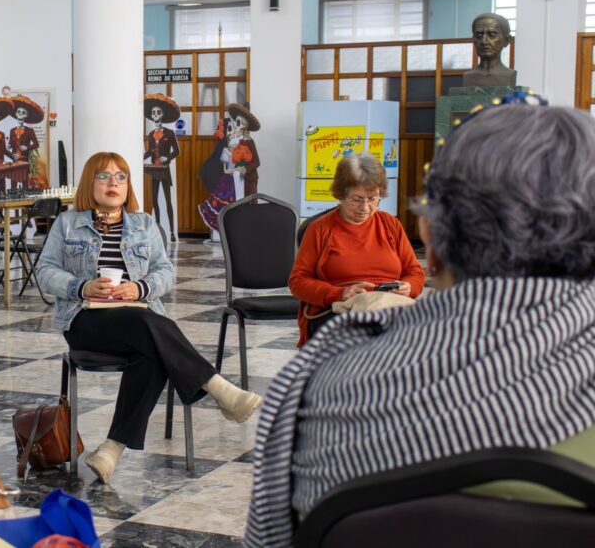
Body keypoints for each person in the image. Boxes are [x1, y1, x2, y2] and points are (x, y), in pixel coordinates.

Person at [245, 96, 595, 547]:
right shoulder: (323, 230)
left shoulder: (313, 390)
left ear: (431, 237)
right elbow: (301, 281)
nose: (366, 206)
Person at [36, 151, 263, 483]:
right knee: (156, 328)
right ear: (90, 182)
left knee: (153, 352)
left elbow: (165, 272)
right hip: (85, 320)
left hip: (137, 316)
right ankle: (217, 386)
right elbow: (45, 272)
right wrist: (82, 286)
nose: (113, 183)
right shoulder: (67, 224)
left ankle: (111, 450)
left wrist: (139, 289)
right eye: (104, 176)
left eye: (121, 177)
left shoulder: (143, 224)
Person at [289, 153, 425, 346]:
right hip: (336, 311)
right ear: (341, 195)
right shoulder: (320, 229)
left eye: (373, 199)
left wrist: (409, 286)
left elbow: (414, 272)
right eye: (357, 199)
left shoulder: (390, 224)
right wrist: (340, 293)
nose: (366, 207)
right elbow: (297, 281)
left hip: (387, 305)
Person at [143, 94, 181, 242]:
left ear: (163, 115)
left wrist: (168, 157)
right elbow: (149, 151)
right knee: (154, 200)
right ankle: (157, 228)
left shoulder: (170, 133)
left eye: (158, 112)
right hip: (154, 170)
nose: (156, 115)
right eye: (153, 113)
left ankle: (171, 231)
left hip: (165, 171)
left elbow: (177, 151)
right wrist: (140, 157)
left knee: (167, 200)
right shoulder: (151, 134)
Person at [463, 12, 516, 87]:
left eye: (492, 35)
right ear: (473, 39)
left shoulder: (509, 75)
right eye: (479, 35)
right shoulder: (468, 76)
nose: (484, 41)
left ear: (506, 40)